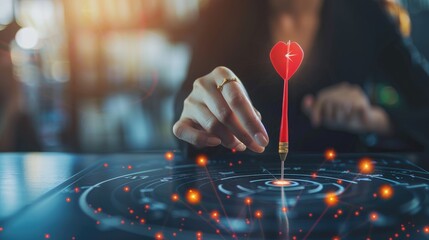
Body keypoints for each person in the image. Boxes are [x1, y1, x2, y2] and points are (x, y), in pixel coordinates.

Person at [173, 0, 429, 157]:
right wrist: (196, 116)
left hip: (343, 201)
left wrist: (374, 120)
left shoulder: (366, 12)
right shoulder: (221, 12)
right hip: (243, 203)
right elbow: (184, 112)